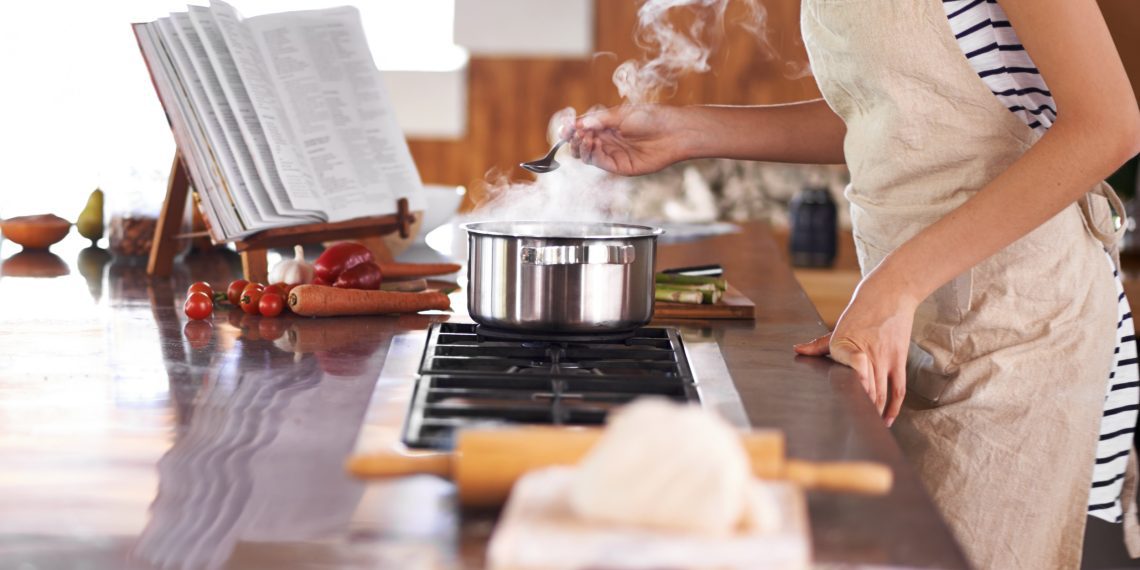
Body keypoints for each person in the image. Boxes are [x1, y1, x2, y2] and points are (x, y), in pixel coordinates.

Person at [568, 0, 1140, 567]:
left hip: (1021, 324)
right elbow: (889, 112)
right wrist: (689, 131)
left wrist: (896, 285)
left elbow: (1109, 125)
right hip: (910, 319)